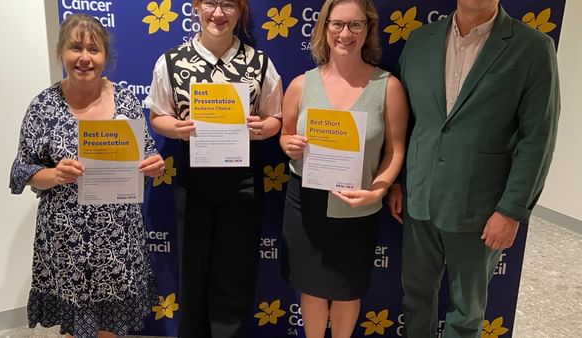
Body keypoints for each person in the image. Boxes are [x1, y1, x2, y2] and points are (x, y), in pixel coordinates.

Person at [387, 1, 560, 337]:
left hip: (481, 208)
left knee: (467, 313)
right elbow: (402, 120)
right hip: (417, 198)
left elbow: (537, 138)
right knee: (416, 300)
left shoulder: (533, 48)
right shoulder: (420, 40)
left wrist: (511, 211)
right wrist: (397, 182)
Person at [9, 14, 165, 338]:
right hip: (66, 240)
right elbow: (23, 170)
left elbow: (147, 153)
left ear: (105, 57)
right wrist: (53, 173)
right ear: (61, 53)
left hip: (118, 238)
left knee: (111, 326)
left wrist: (154, 164)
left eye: (93, 49)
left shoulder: (124, 100)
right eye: (75, 47)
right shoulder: (43, 106)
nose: (84, 57)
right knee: (76, 328)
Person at [145, 0, 283, 336]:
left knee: (235, 272)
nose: (218, 13)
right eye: (210, 3)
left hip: (242, 182)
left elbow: (275, 117)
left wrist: (264, 128)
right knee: (192, 272)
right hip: (193, 182)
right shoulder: (171, 62)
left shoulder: (259, 62)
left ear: (240, 11)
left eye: (227, 5)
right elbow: (157, 115)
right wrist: (175, 128)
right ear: (196, 7)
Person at [279, 0, 408, 336]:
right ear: (324, 28)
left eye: (355, 25)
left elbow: (395, 150)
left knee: (348, 288)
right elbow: (286, 134)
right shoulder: (301, 85)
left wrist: (378, 190)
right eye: (337, 24)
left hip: (357, 206)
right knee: (311, 285)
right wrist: (287, 143)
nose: (345, 33)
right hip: (306, 203)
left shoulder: (387, 87)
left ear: (368, 30)